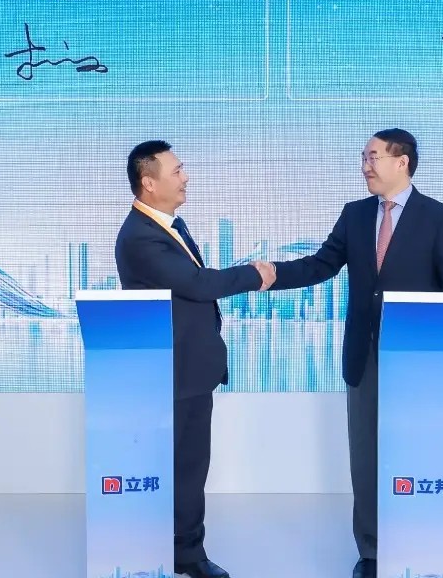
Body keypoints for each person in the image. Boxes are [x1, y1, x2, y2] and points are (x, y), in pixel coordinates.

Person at [252, 129, 443, 578]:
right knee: (366, 455)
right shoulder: (354, 215)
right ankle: (371, 551)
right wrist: (272, 274)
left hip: (419, 360)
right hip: (364, 354)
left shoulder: (439, 218)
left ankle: (420, 542)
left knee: (418, 451)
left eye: (373, 157)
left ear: (402, 161)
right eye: (363, 158)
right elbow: (321, 264)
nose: (365, 166)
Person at [115, 140, 276, 578]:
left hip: (188, 369)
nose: (185, 177)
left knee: (189, 466)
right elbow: (197, 284)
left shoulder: (170, 226)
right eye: (176, 171)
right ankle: (181, 553)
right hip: (172, 371)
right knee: (181, 467)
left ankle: (182, 549)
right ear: (149, 183)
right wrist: (255, 275)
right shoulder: (140, 237)